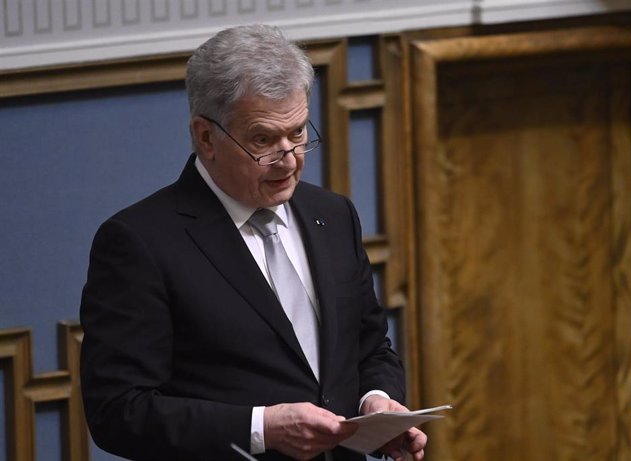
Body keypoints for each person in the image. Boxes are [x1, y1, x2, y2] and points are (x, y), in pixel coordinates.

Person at [79, 24, 427, 461]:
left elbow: (371, 347)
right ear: (206, 137)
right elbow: (118, 412)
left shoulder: (334, 216)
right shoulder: (139, 243)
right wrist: (262, 428)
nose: (289, 158)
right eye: (263, 139)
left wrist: (376, 403)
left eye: (298, 133)